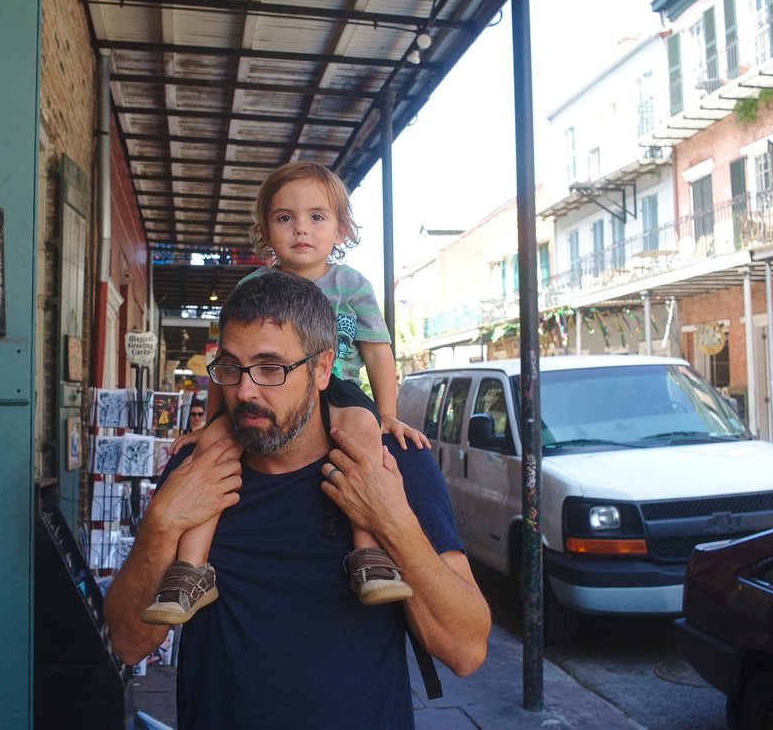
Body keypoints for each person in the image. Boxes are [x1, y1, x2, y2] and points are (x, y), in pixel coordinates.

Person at [103, 270, 490, 729]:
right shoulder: (196, 471)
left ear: (323, 368)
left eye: (271, 368)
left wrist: (394, 522)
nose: (245, 391)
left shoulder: (393, 467)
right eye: (231, 368)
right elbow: (128, 642)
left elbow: (465, 651)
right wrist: (161, 524)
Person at [144, 161, 429, 624]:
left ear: (341, 229)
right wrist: (210, 423)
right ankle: (190, 570)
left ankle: (369, 556)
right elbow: (229, 364)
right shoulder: (252, 286)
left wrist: (387, 414)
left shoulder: (352, 285)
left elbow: (377, 354)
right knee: (214, 451)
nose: (301, 229)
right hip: (265, 391)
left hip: (336, 390)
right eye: (284, 217)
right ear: (265, 229)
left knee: (362, 430)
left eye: (317, 217)